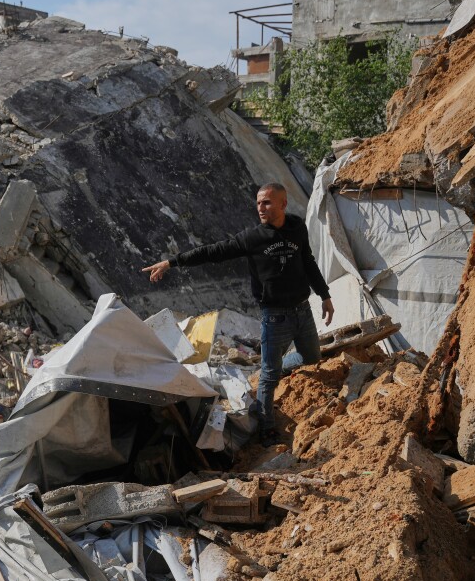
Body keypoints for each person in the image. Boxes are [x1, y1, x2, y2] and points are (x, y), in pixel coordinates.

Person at [142, 183, 333, 439]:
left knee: (311, 358)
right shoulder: (253, 238)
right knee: (268, 378)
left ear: (283, 204)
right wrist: (172, 262)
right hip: (275, 317)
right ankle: (267, 429)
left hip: (303, 310)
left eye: (266, 202)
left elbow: (308, 261)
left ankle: (277, 366)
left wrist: (325, 295)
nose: (260, 208)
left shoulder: (297, 227)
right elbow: (213, 252)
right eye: (258, 203)